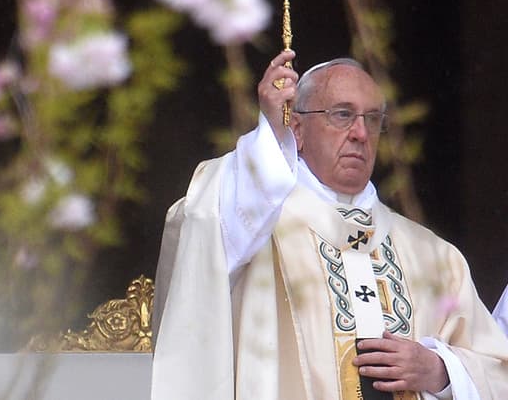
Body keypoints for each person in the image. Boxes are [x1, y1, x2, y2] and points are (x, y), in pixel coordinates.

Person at [151, 51, 508, 400]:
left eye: (372, 119)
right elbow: (203, 229)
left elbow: (497, 370)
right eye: (342, 115)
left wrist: (440, 370)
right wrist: (270, 134)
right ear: (297, 128)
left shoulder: (434, 256)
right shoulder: (256, 228)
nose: (360, 133)